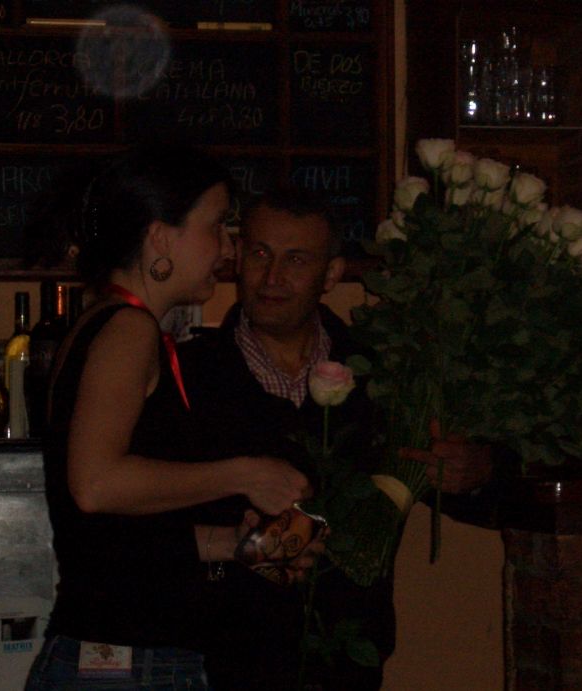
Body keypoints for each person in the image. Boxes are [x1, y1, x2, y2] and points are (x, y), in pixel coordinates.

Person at [179, 187, 495, 690]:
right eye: (259, 253)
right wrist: (238, 545)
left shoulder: (381, 375)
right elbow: (141, 527)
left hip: (347, 662)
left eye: (296, 259)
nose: (272, 277)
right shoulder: (187, 375)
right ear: (236, 258)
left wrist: (475, 472)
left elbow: (473, 489)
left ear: (331, 274)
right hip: (216, 663)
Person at [23, 146, 313, 689]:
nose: (228, 247)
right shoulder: (128, 329)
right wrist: (245, 474)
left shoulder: (115, 324)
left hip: (122, 661)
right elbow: (96, 484)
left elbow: (114, 537)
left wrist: (232, 544)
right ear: (160, 237)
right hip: (127, 666)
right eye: (216, 225)